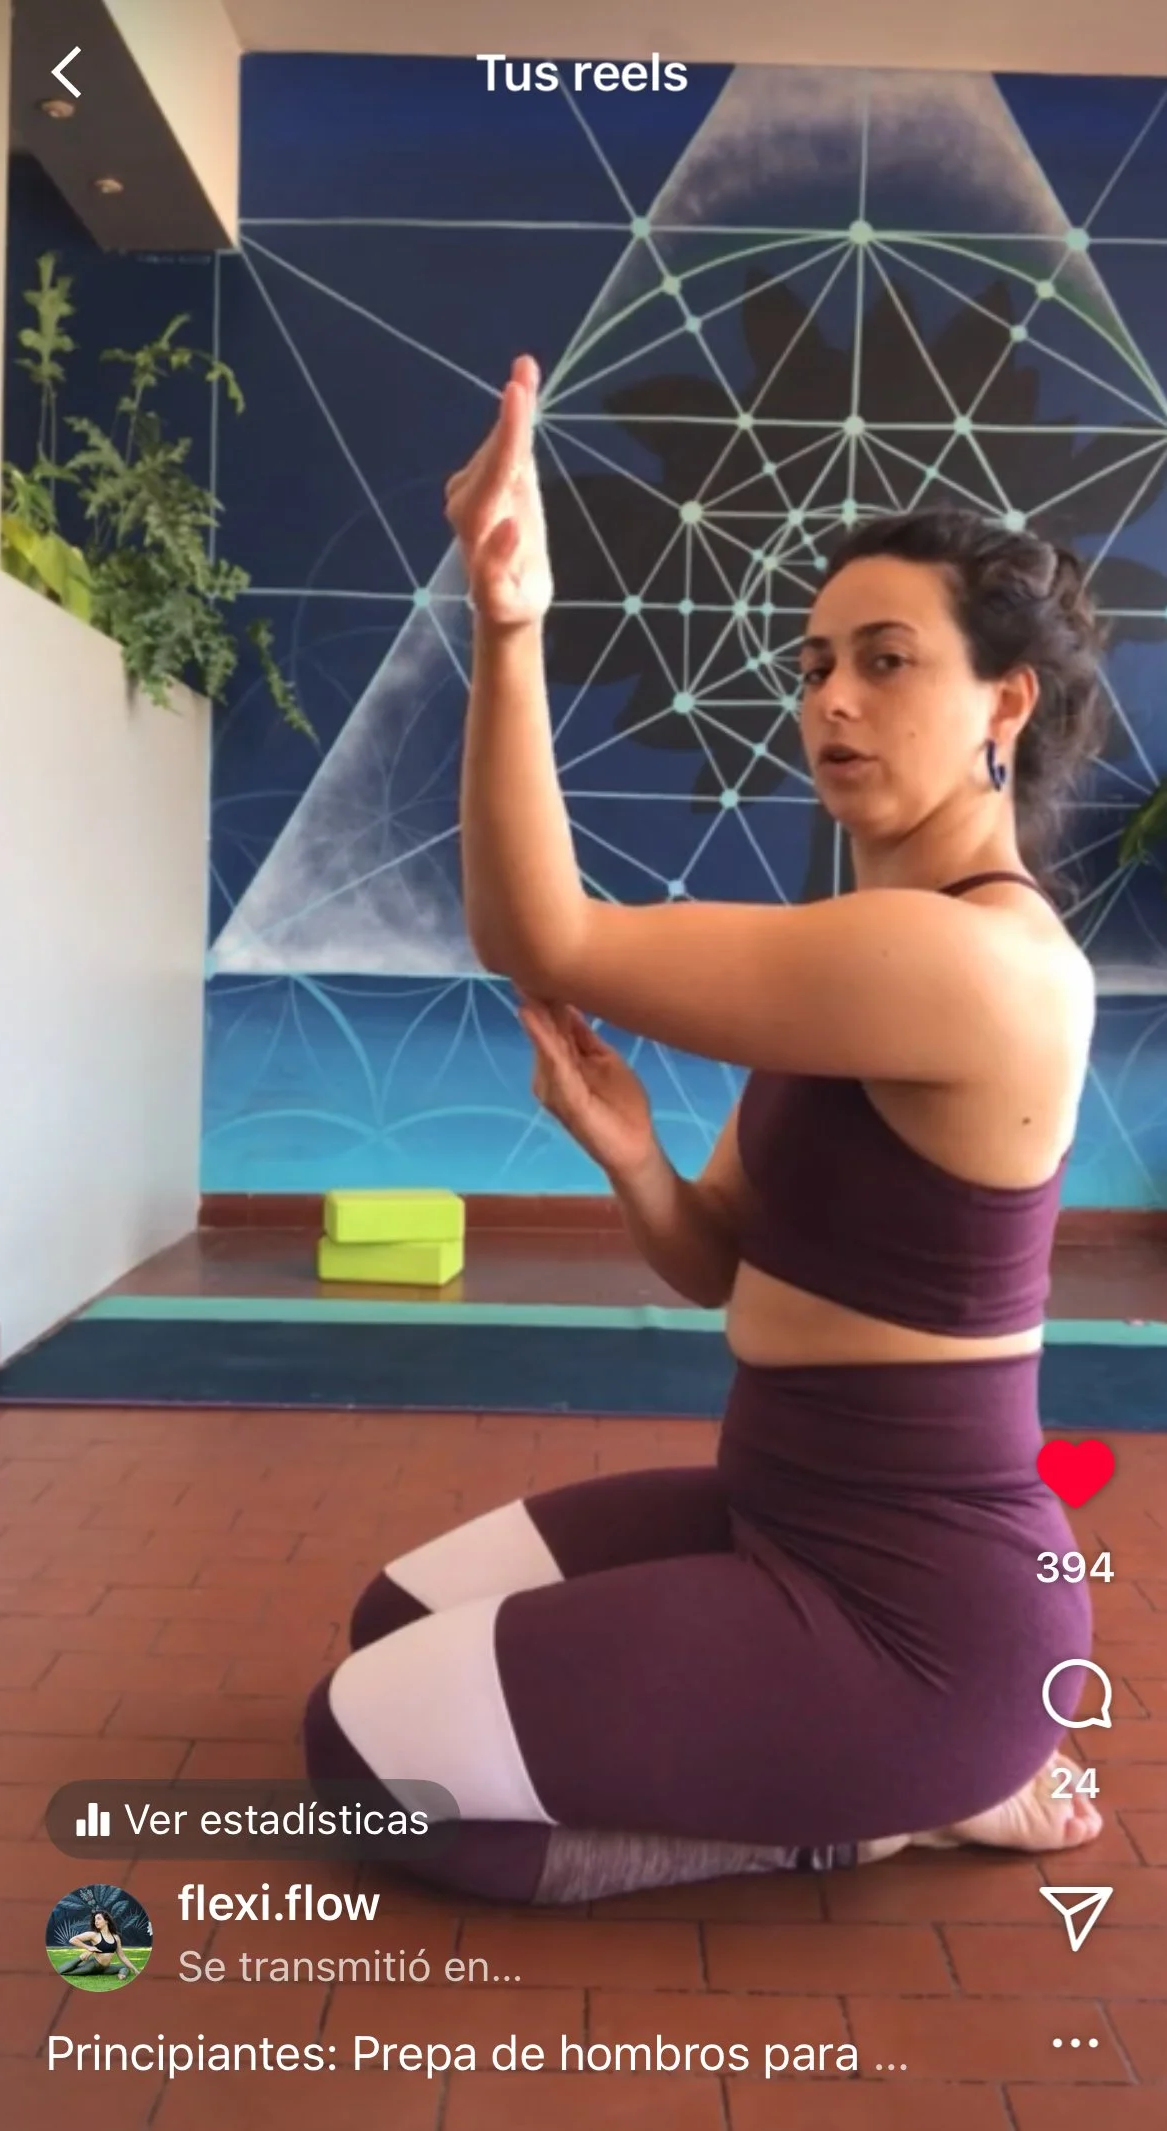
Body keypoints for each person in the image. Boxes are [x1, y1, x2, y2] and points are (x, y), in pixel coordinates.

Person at [303, 353, 1109, 1904]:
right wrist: (630, 1155)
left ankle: (892, 1799)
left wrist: (513, 616)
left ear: (1002, 701)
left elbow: (537, 928)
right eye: (814, 664)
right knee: (389, 1614)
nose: (830, 699)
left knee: (362, 1758)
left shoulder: (978, 961)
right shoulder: (860, 954)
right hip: (772, 1512)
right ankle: (882, 1769)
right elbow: (713, 1269)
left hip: (915, 1615)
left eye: (885, 661)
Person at [58, 1908, 133, 1979]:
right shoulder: (93, 1934)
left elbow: (122, 1956)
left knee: (125, 1967)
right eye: (95, 1920)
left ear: (106, 1921)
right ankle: (81, 1958)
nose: (96, 1921)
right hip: (93, 1966)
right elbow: (72, 1940)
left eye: (98, 1919)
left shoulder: (115, 1937)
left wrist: (133, 1971)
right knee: (64, 1972)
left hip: (105, 1969)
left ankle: (121, 1975)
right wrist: (88, 1947)